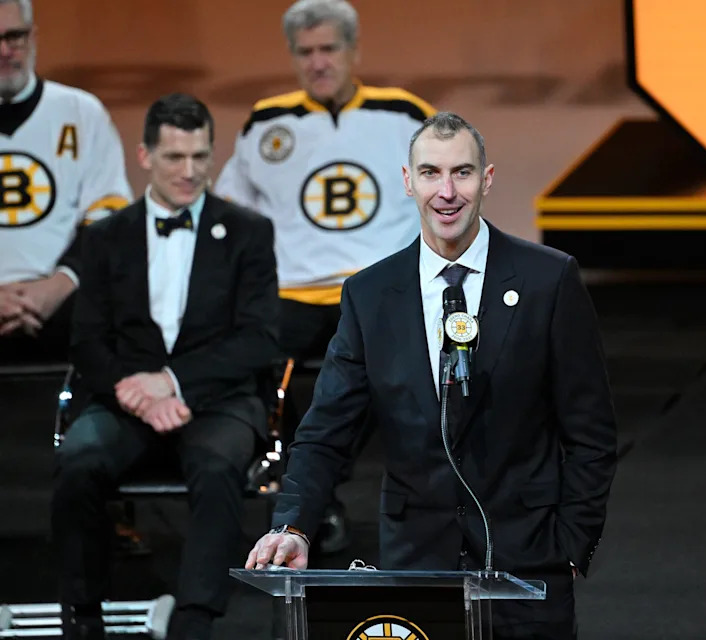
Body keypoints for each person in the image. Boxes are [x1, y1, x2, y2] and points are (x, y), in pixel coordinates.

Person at [247, 112, 619, 639]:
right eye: (430, 173)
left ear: (487, 179)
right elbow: (327, 431)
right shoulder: (371, 295)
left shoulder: (549, 279)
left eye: (462, 173)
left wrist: (573, 542)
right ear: (408, 181)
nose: (447, 192)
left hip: (529, 558)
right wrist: (294, 524)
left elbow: (591, 429)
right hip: (416, 561)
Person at [52, 93, 280, 640]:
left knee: (218, 467)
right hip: (123, 399)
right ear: (145, 157)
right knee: (79, 462)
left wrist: (174, 383)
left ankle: (195, 620)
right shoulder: (103, 237)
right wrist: (135, 392)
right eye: (175, 157)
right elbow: (86, 341)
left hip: (219, 399)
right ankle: (82, 614)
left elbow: (259, 339)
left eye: (200, 156)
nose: (190, 171)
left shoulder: (249, 231)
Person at [215, 0, 436, 553]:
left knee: (378, 364)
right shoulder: (267, 122)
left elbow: (445, 196)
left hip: (378, 286)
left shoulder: (405, 114)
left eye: (329, 49)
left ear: (353, 51)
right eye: (306, 52)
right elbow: (232, 211)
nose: (318, 63)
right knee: (242, 354)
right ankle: (303, 485)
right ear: (293, 57)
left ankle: (311, 493)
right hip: (292, 290)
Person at [0, 0, 131, 362]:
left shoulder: (82, 112)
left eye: (14, 36)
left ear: (33, 37)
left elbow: (108, 217)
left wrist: (55, 288)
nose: (5, 51)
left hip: (65, 303)